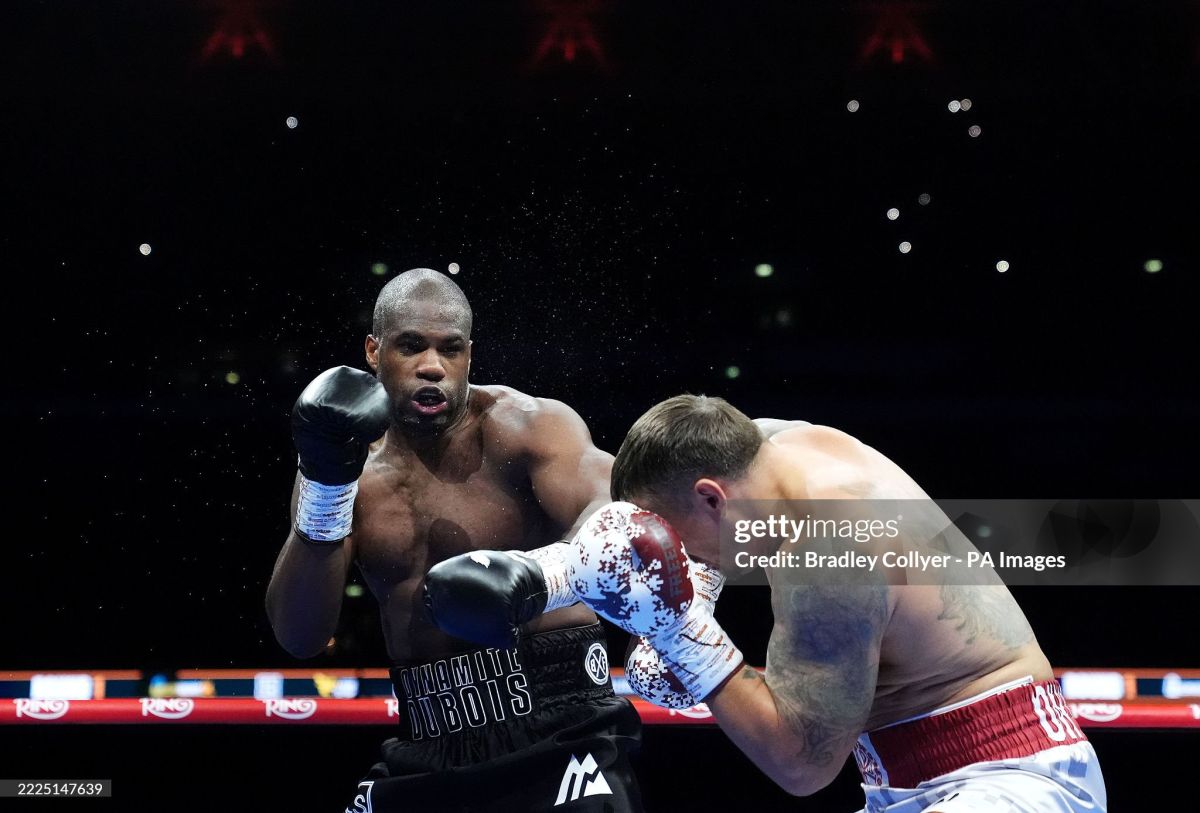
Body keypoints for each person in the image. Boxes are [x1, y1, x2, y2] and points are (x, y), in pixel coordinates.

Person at [569, 395, 1108, 812]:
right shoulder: (783, 445)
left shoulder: (827, 550)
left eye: (677, 539)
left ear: (712, 497)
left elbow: (802, 765)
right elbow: (708, 449)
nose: (681, 557)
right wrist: (701, 586)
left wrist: (680, 632)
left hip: (1007, 783)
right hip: (926, 781)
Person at [265, 268, 644, 813]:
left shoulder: (528, 426)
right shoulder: (344, 468)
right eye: (411, 346)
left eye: (451, 349)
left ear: (470, 355)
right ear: (373, 351)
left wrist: (540, 575)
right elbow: (300, 635)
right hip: (426, 739)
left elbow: (618, 513)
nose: (432, 366)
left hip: (562, 724)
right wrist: (325, 486)